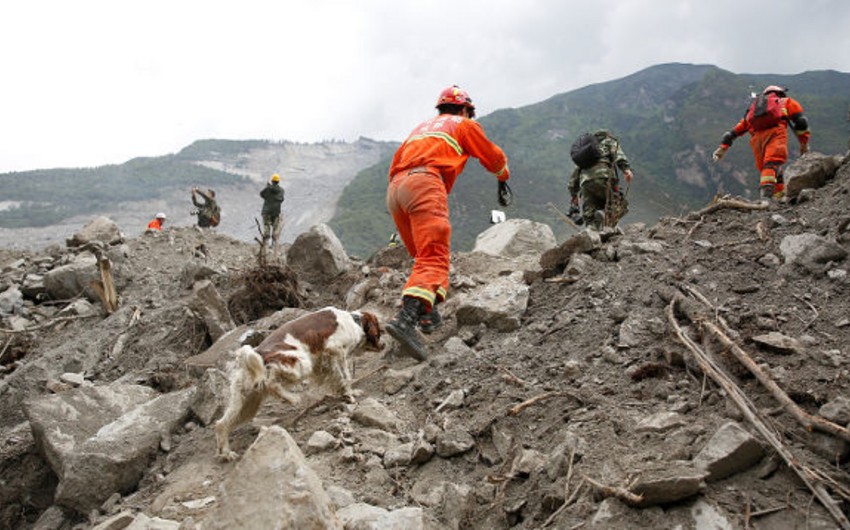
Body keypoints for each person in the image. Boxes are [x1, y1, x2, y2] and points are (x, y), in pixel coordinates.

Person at [385, 85, 510, 360]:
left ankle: (428, 314)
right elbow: (493, 156)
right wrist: (503, 176)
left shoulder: (420, 128)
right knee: (434, 257)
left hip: (396, 189)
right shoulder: (462, 124)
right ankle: (405, 320)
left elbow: (395, 164)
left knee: (421, 255)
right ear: (465, 109)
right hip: (425, 183)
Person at [712, 85, 810, 201]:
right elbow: (801, 122)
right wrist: (803, 143)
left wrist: (723, 148)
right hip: (776, 134)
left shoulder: (754, 110)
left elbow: (732, 133)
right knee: (771, 165)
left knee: (771, 168)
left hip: (756, 141)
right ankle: (766, 199)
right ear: (780, 94)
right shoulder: (786, 102)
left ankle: (778, 196)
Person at [567, 130, 634, 230]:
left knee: (590, 219)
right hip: (604, 179)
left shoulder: (586, 152)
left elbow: (574, 178)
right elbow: (618, 155)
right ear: (607, 135)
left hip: (585, 185)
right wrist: (626, 170)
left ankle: (593, 236)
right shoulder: (608, 142)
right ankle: (605, 215)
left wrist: (574, 196)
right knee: (620, 205)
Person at [260, 173, 285, 249]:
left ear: (272, 181)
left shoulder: (268, 189)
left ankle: (266, 245)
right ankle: (274, 245)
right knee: (275, 228)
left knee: (267, 227)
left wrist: (268, 187)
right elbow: (281, 199)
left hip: (267, 212)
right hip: (276, 212)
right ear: (278, 181)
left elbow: (262, 194)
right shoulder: (281, 190)